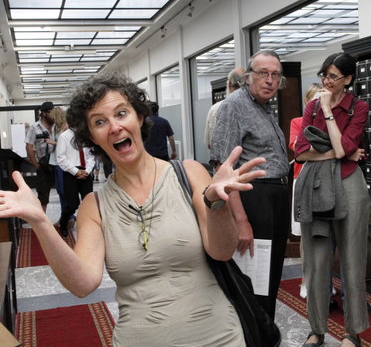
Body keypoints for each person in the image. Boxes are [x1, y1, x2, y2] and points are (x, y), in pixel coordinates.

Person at [0, 73, 266, 347]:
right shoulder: (95, 206)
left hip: (218, 337)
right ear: (92, 136)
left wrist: (216, 203)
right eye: (100, 122)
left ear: (139, 117)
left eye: (121, 113)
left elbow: (221, 251)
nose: (114, 127)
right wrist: (42, 222)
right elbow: (82, 284)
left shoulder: (189, 173)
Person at [294, 53, 370, 347]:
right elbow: (301, 152)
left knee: (352, 261)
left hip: (350, 183)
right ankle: (316, 329)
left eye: (333, 76)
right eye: (324, 75)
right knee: (315, 261)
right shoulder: (311, 105)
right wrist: (335, 151)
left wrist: (326, 113)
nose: (326, 81)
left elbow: (345, 148)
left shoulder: (358, 108)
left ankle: (353, 332)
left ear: (348, 79)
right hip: (315, 186)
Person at [210, 50, 290, 319]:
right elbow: (224, 168)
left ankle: (265, 332)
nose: (269, 80)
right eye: (262, 73)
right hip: (254, 199)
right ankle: (254, 335)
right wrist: (241, 220)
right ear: (247, 77)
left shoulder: (265, 108)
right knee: (255, 279)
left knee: (269, 276)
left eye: (275, 75)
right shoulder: (234, 105)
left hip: (275, 198)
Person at [289, 82, 322, 298]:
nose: (318, 104)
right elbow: (297, 148)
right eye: (314, 100)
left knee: (324, 234)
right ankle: (306, 279)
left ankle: (324, 281)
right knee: (305, 236)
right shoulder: (298, 122)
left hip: (326, 181)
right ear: (306, 101)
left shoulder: (330, 123)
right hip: (302, 180)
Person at [56, 121, 95, 237]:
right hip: (70, 172)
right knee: (72, 204)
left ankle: (89, 227)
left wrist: (87, 171)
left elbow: (91, 155)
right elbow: (61, 158)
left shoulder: (87, 135)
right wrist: (76, 171)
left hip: (86, 172)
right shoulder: (64, 136)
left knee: (88, 202)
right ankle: (63, 224)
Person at [24, 101, 56, 212]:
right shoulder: (34, 127)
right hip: (43, 163)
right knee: (43, 194)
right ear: (43, 113)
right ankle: (42, 220)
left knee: (64, 191)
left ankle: (65, 220)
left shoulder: (57, 125)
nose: (52, 115)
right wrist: (36, 165)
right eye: (49, 112)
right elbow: (29, 146)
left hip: (58, 162)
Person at [204, 67, 245, 149]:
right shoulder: (254, 109)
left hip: (222, 160)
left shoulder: (215, 109)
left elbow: (210, 145)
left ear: (229, 84)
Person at [48, 107, 74, 227]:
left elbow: (67, 145)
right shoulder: (55, 128)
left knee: (64, 190)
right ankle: (69, 215)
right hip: (55, 161)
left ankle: (68, 216)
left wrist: (52, 142)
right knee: (60, 190)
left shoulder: (66, 128)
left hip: (62, 163)